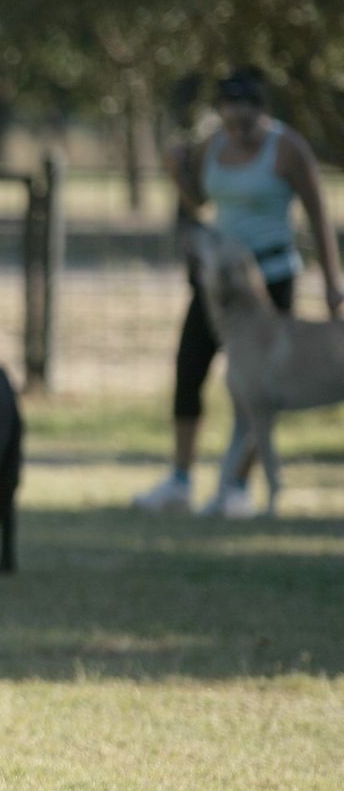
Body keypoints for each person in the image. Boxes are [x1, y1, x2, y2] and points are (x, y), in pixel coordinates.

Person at [132, 66, 343, 517]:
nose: (238, 131)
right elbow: (200, 200)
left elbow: (318, 216)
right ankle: (180, 480)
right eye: (229, 121)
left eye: (246, 123)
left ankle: (237, 487)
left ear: (262, 112)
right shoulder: (214, 143)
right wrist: (176, 172)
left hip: (270, 278)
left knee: (257, 389)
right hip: (219, 283)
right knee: (190, 367)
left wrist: (332, 282)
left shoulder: (287, 148)